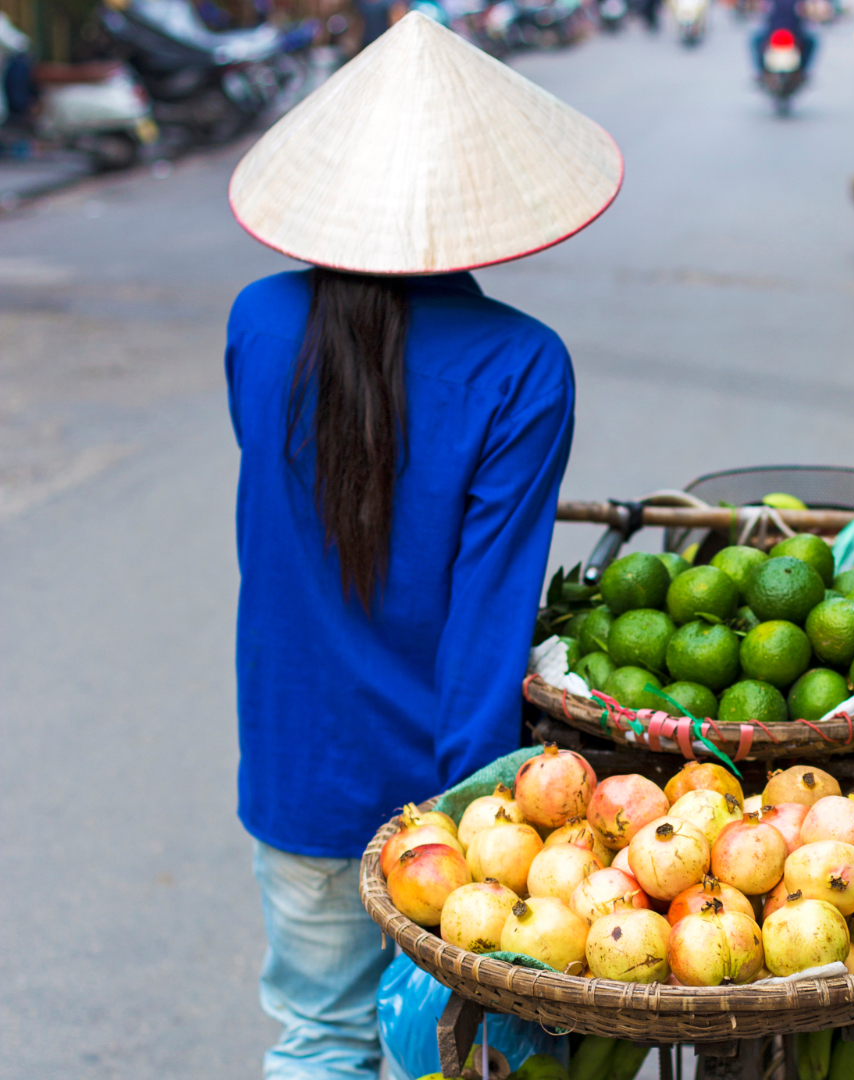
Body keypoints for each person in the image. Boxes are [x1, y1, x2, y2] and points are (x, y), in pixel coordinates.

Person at [223, 13, 622, 1079]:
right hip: (447, 804)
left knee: (315, 1042)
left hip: (294, 758)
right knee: (433, 1058)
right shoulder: (521, 366)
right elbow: (485, 623)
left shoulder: (257, 323)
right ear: (480, 208)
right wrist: (473, 821)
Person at [753, 0, 817, 77]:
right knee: (811, 42)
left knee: (755, 40)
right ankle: (803, 71)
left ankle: (761, 72)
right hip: (791, 35)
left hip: (778, 34)